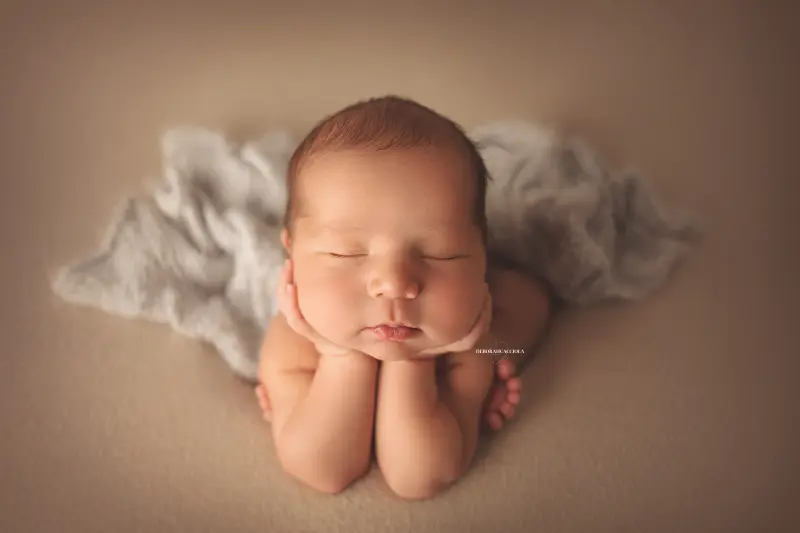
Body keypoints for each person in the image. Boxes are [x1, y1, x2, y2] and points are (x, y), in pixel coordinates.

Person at [255, 96, 551, 499]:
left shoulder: (468, 341)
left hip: (475, 336)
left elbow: (419, 475)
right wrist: (340, 358)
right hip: (324, 348)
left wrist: (425, 358)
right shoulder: (293, 343)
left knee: (514, 317)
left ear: (481, 255)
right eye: (346, 253)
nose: (394, 283)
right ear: (291, 254)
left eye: (440, 252)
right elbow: (323, 470)